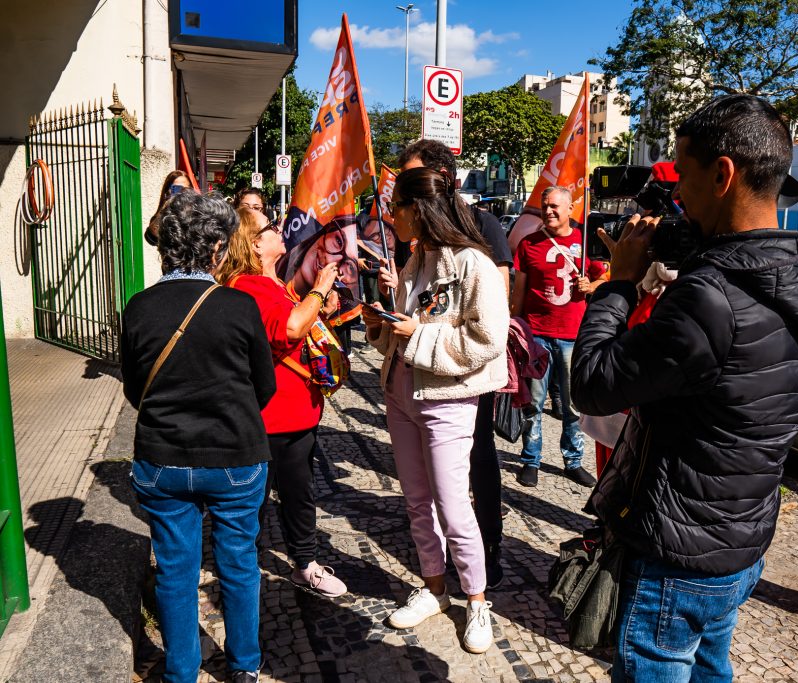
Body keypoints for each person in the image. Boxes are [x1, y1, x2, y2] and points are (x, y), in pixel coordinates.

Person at [571, 94, 798, 682]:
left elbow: (593, 384)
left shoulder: (710, 297)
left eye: (684, 179)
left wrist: (617, 284)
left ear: (722, 174)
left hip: (678, 552)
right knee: (711, 670)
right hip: (739, 537)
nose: (679, 200)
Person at [121, 192, 276, 683]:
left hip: (162, 459)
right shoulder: (238, 305)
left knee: (175, 571)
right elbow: (264, 386)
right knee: (238, 565)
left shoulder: (139, 307)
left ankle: (182, 671)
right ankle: (245, 666)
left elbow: (132, 387)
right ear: (214, 249)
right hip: (235, 455)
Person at [364, 167, 509, 654]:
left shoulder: (473, 264)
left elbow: (488, 339)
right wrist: (382, 324)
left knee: (452, 505)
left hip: (448, 398)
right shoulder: (414, 261)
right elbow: (404, 327)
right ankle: (434, 587)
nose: (389, 217)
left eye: (395, 209)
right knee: (416, 500)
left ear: (417, 210)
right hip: (401, 393)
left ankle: (477, 599)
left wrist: (416, 335)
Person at [217, 208, 349, 599]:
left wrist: (318, 307)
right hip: (268, 416)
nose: (280, 230)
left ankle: (304, 565)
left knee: (299, 493)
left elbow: (298, 320)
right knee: (253, 503)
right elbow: (289, 328)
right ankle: (244, 576)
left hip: (295, 414)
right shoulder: (247, 285)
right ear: (255, 243)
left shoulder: (272, 283)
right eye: (272, 227)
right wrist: (321, 287)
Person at [510, 185, 602, 489]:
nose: (548, 211)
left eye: (554, 206)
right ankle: (530, 460)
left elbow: (607, 276)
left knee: (573, 405)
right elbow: (519, 291)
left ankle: (573, 461)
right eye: (545, 206)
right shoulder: (528, 244)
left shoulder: (585, 242)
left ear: (569, 208)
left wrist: (594, 285)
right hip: (536, 334)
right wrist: (514, 328)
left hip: (573, 336)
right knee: (534, 403)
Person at [145, 170, 192, 245]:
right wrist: (165, 207)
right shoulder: (164, 214)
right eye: (177, 188)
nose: (181, 193)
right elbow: (152, 239)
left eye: (185, 189)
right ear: (168, 191)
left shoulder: (197, 212)